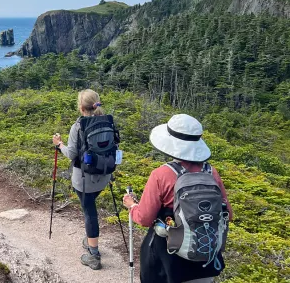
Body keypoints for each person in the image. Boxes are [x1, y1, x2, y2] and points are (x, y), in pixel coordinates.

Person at [123, 114, 233, 283]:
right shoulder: (212, 173)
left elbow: (144, 218)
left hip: (169, 261)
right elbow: (228, 215)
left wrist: (132, 206)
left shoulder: (161, 175)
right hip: (206, 260)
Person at [52, 89, 112, 270]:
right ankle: (90, 238)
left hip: (84, 179)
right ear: (97, 103)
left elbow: (71, 154)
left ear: (81, 107)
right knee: (90, 207)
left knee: (89, 213)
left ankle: (94, 254)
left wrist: (59, 144)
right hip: (104, 175)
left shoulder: (78, 126)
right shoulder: (107, 122)